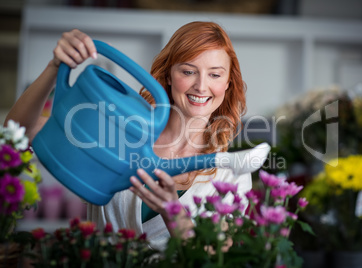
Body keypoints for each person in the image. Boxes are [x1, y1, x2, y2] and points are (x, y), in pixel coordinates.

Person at [5, 21, 251, 250]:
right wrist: (55, 66)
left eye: (215, 74)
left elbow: (219, 257)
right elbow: (19, 132)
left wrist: (173, 214)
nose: (201, 86)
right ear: (168, 75)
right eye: (188, 71)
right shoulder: (120, 127)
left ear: (228, 82)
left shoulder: (232, 176)